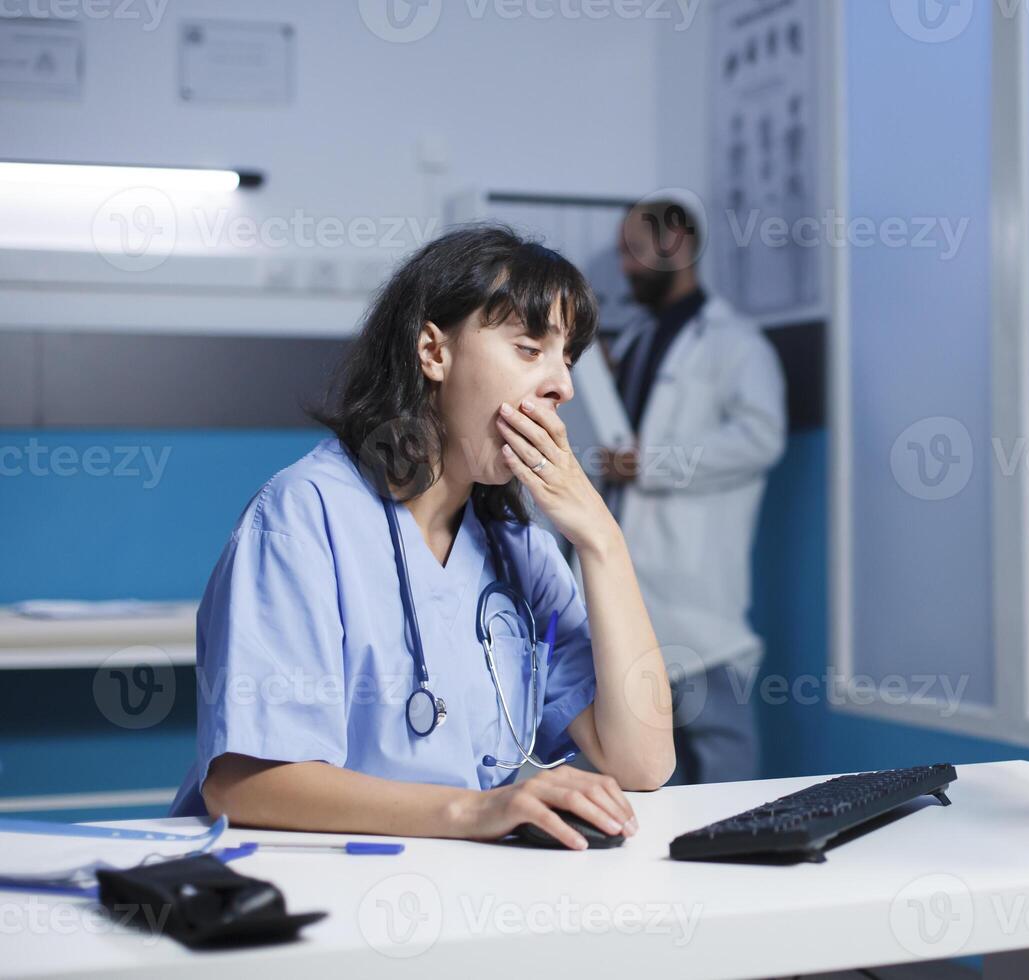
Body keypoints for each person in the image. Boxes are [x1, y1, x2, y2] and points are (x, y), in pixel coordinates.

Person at [168, 226, 675, 850]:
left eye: (566, 359)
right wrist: (477, 811)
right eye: (528, 348)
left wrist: (602, 540)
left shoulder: (523, 551)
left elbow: (643, 762)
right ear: (434, 353)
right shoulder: (305, 516)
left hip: (452, 893)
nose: (562, 385)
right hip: (301, 894)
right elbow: (245, 784)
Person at [602, 198, 786, 785]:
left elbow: (761, 438)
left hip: (697, 589)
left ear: (675, 241)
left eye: (633, 250)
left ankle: (747, 869)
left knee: (721, 753)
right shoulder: (635, 341)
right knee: (651, 763)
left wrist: (653, 463)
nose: (625, 267)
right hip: (635, 582)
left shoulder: (736, 344)